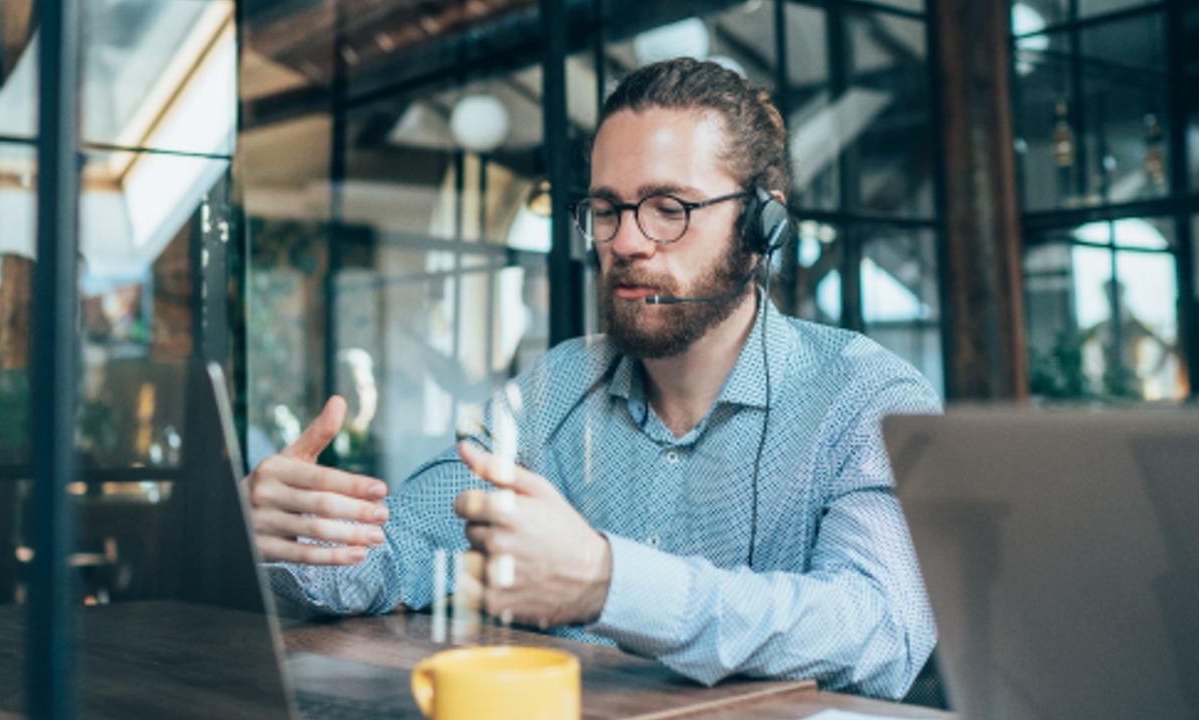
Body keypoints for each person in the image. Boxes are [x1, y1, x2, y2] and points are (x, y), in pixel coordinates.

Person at [245, 58, 939, 700]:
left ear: (763, 224)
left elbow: (880, 630)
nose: (626, 242)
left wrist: (610, 583)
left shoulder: (868, 398)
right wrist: (295, 536)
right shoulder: (557, 386)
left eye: (669, 208)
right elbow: (403, 550)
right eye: (607, 210)